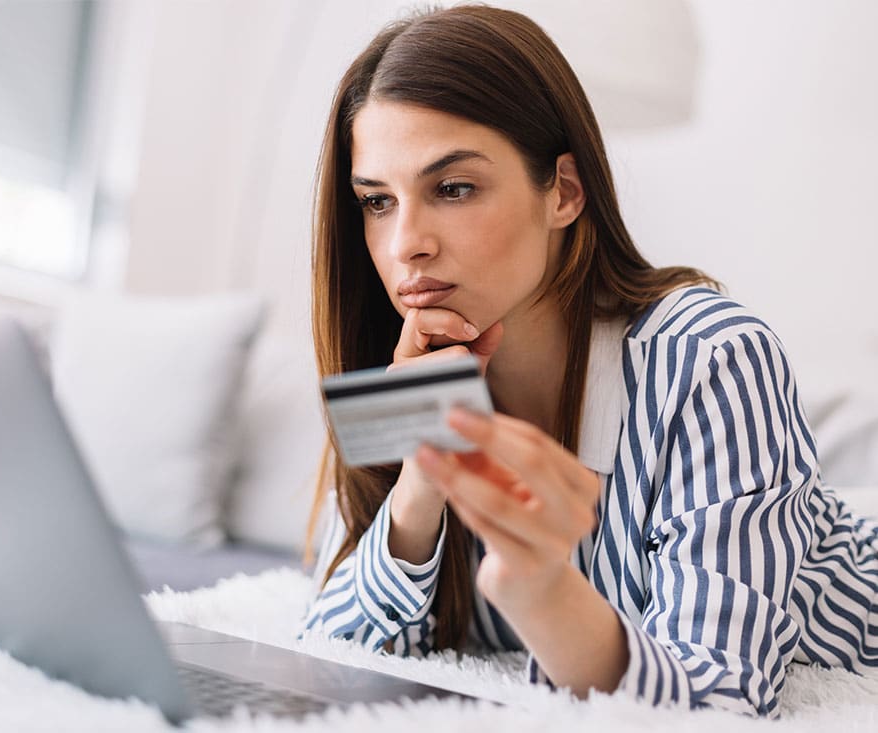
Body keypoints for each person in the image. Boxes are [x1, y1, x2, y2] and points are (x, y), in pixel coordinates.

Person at [300, 4, 878, 718]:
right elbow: (321, 659)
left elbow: (719, 698)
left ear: (565, 192)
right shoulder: (401, 372)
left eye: (453, 188)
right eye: (377, 201)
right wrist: (420, 483)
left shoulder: (710, 356)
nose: (405, 244)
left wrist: (541, 589)